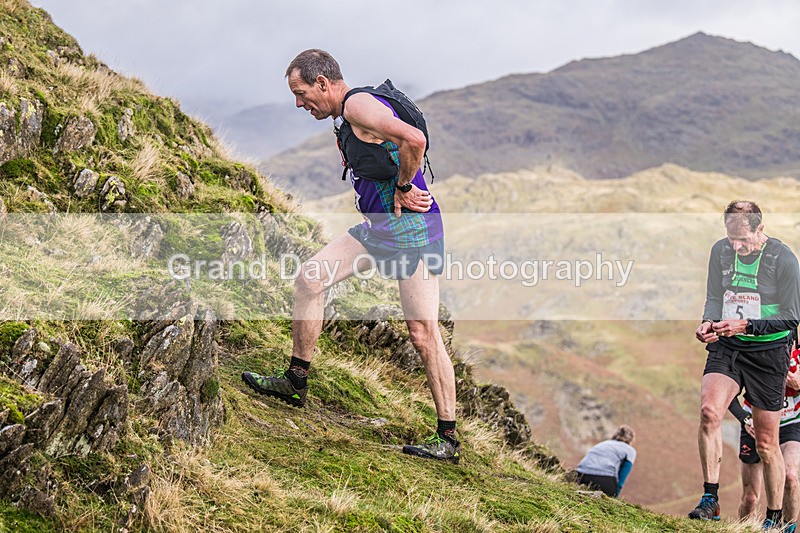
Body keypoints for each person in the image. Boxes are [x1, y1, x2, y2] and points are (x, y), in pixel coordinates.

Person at [242, 49, 459, 463]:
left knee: (422, 333)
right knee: (310, 279)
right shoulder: (346, 114)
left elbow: (414, 140)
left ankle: (447, 438)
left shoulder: (358, 105)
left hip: (411, 231)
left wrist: (403, 186)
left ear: (323, 83)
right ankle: (295, 380)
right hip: (377, 230)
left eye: (302, 93)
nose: (299, 103)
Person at [690, 201, 800, 529]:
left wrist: (747, 325)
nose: (736, 246)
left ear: (760, 229)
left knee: (766, 444)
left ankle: (774, 517)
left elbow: (791, 318)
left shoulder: (783, 259)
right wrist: (708, 321)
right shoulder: (721, 252)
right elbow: (714, 296)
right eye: (731, 238)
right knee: (709, 411)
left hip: (769, 354)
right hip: (728, 346)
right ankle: (710, 498)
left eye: (743, 239)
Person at [730, 342, 800, 533]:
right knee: (751, 497)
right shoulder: (753, 350)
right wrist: (745, 419)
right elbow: (726, 393)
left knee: (791, 477)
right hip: (755, 426)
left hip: (790, 425)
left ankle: (787, 529)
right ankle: (744, 529)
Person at [575, 425, 636, 497]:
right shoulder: (630, 450)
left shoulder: (604, 443)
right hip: (603, 480)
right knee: (610, 490)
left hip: (580, 475)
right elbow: (622, 477)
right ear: (631, 439)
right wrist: (615, 496)